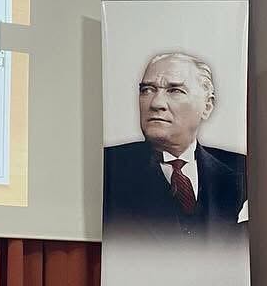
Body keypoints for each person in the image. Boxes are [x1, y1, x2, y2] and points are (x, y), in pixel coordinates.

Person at [104, 51, 246, 236]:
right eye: (147, 90)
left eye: (174, 90)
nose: (156, 103)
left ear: (207, 106)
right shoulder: (108, 167)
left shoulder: (242, 171)